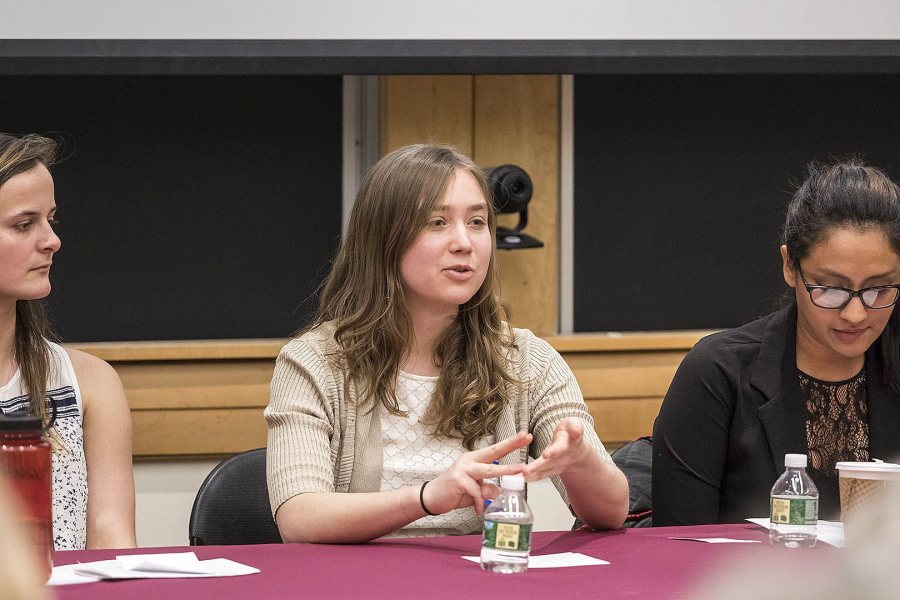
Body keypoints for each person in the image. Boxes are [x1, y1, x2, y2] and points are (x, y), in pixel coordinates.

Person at [266, 143, 628, 543]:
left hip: (480, 579)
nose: (465, 243)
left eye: (477, 222)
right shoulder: (314, 362)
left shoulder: (527, 361)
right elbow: (300, 519)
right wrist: (427, 498)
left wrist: (581, 462)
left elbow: (612, 513)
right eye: (437, 223)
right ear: (382, 240)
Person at [652, 158, 900, 525]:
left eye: (879, 289)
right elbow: (675, 543)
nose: (856, 314)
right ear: (789, 266)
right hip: (743, 581)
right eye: (830, 289)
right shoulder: (717, 372)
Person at [0, 133, 136, 549]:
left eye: (50, 220)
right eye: (24, 225)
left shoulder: (90, 383)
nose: (52, 241)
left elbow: (113, 546)